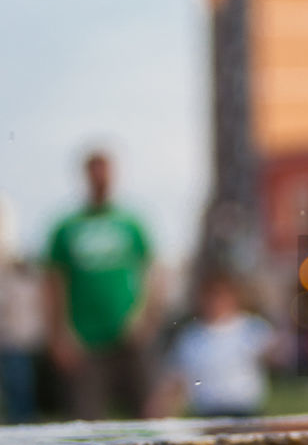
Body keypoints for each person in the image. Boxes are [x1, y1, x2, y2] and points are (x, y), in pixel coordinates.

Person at [44, 151, 155, 420]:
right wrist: (58, 333)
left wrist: (145, 316)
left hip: (128, 333)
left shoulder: (130, 222)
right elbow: (53, 283)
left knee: (147, 411)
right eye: (95, 170)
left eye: (105, 170)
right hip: (84, 338)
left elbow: (150, 273)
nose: (100, 178)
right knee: (87, 418)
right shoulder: (67, 227)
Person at [148, 270, 276, 418]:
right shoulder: (190, 337)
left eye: (221, 294)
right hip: (208, 414)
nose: (215, 301)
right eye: (211, 295)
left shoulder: (251, 328)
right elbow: (176, 379)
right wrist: (159, 407)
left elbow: (276, 355)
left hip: (245, 412)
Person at [0, 258, 44, 422]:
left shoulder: (30, 283)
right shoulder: (9, 283)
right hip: (11, 341)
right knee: (16, 382)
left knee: (22, 382)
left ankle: (24, 415)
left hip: (22, 340)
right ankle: (20, 415)